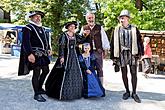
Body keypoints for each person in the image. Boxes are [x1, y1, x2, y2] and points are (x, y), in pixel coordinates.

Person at [110, 10, 144, 103]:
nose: (122, 19)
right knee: (124, 74)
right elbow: (112, 43)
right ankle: (127, 91)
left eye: (123, 17)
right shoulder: (116, 29)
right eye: (121, 18)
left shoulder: (134, 29)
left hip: (132, 54)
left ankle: (134, 92)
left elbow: (139, 42)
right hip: (121, 55)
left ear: (128, 19)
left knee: (134, 74)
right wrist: (113, 57)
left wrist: (141, 53)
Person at [18, 11, 51, 102]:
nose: (38, 18)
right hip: (34, 54)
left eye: (39, 16)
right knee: (36, 73)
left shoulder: (43, 29)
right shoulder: (28, 28)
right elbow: (26, 42)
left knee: (46, 70)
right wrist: (29, 54)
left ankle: (39, 88)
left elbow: (45, 40)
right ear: (31, 18)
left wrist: (48, 48)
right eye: (36, 16)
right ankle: (37, 93)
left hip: (43, 54)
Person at [45, 21, 83, 100]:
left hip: (74, 56)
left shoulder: (76, 35)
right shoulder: (64, 35)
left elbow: (82, 41)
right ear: (68, 27)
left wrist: (86, 35)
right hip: (66, 56)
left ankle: (75, 92)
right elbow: (61, 47)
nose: (73, 28)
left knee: (75, 73)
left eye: (74, 26)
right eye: (71, 26)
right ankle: (63, 93)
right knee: (63, 72)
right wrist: (61, 56)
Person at [80, 12, 110, 85]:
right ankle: (90, 86)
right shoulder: (84, 28)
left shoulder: (100, 27)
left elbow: (104, 39)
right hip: (88, 53)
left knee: (100, 69)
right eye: (89, 18)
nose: (91, 19)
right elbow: (80, 41)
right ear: (86, 19)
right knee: (89, 68)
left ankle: (100, 86)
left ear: (94, 18)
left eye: (92, 18)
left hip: (98, 52)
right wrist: (84, 35)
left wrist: (106, 49)